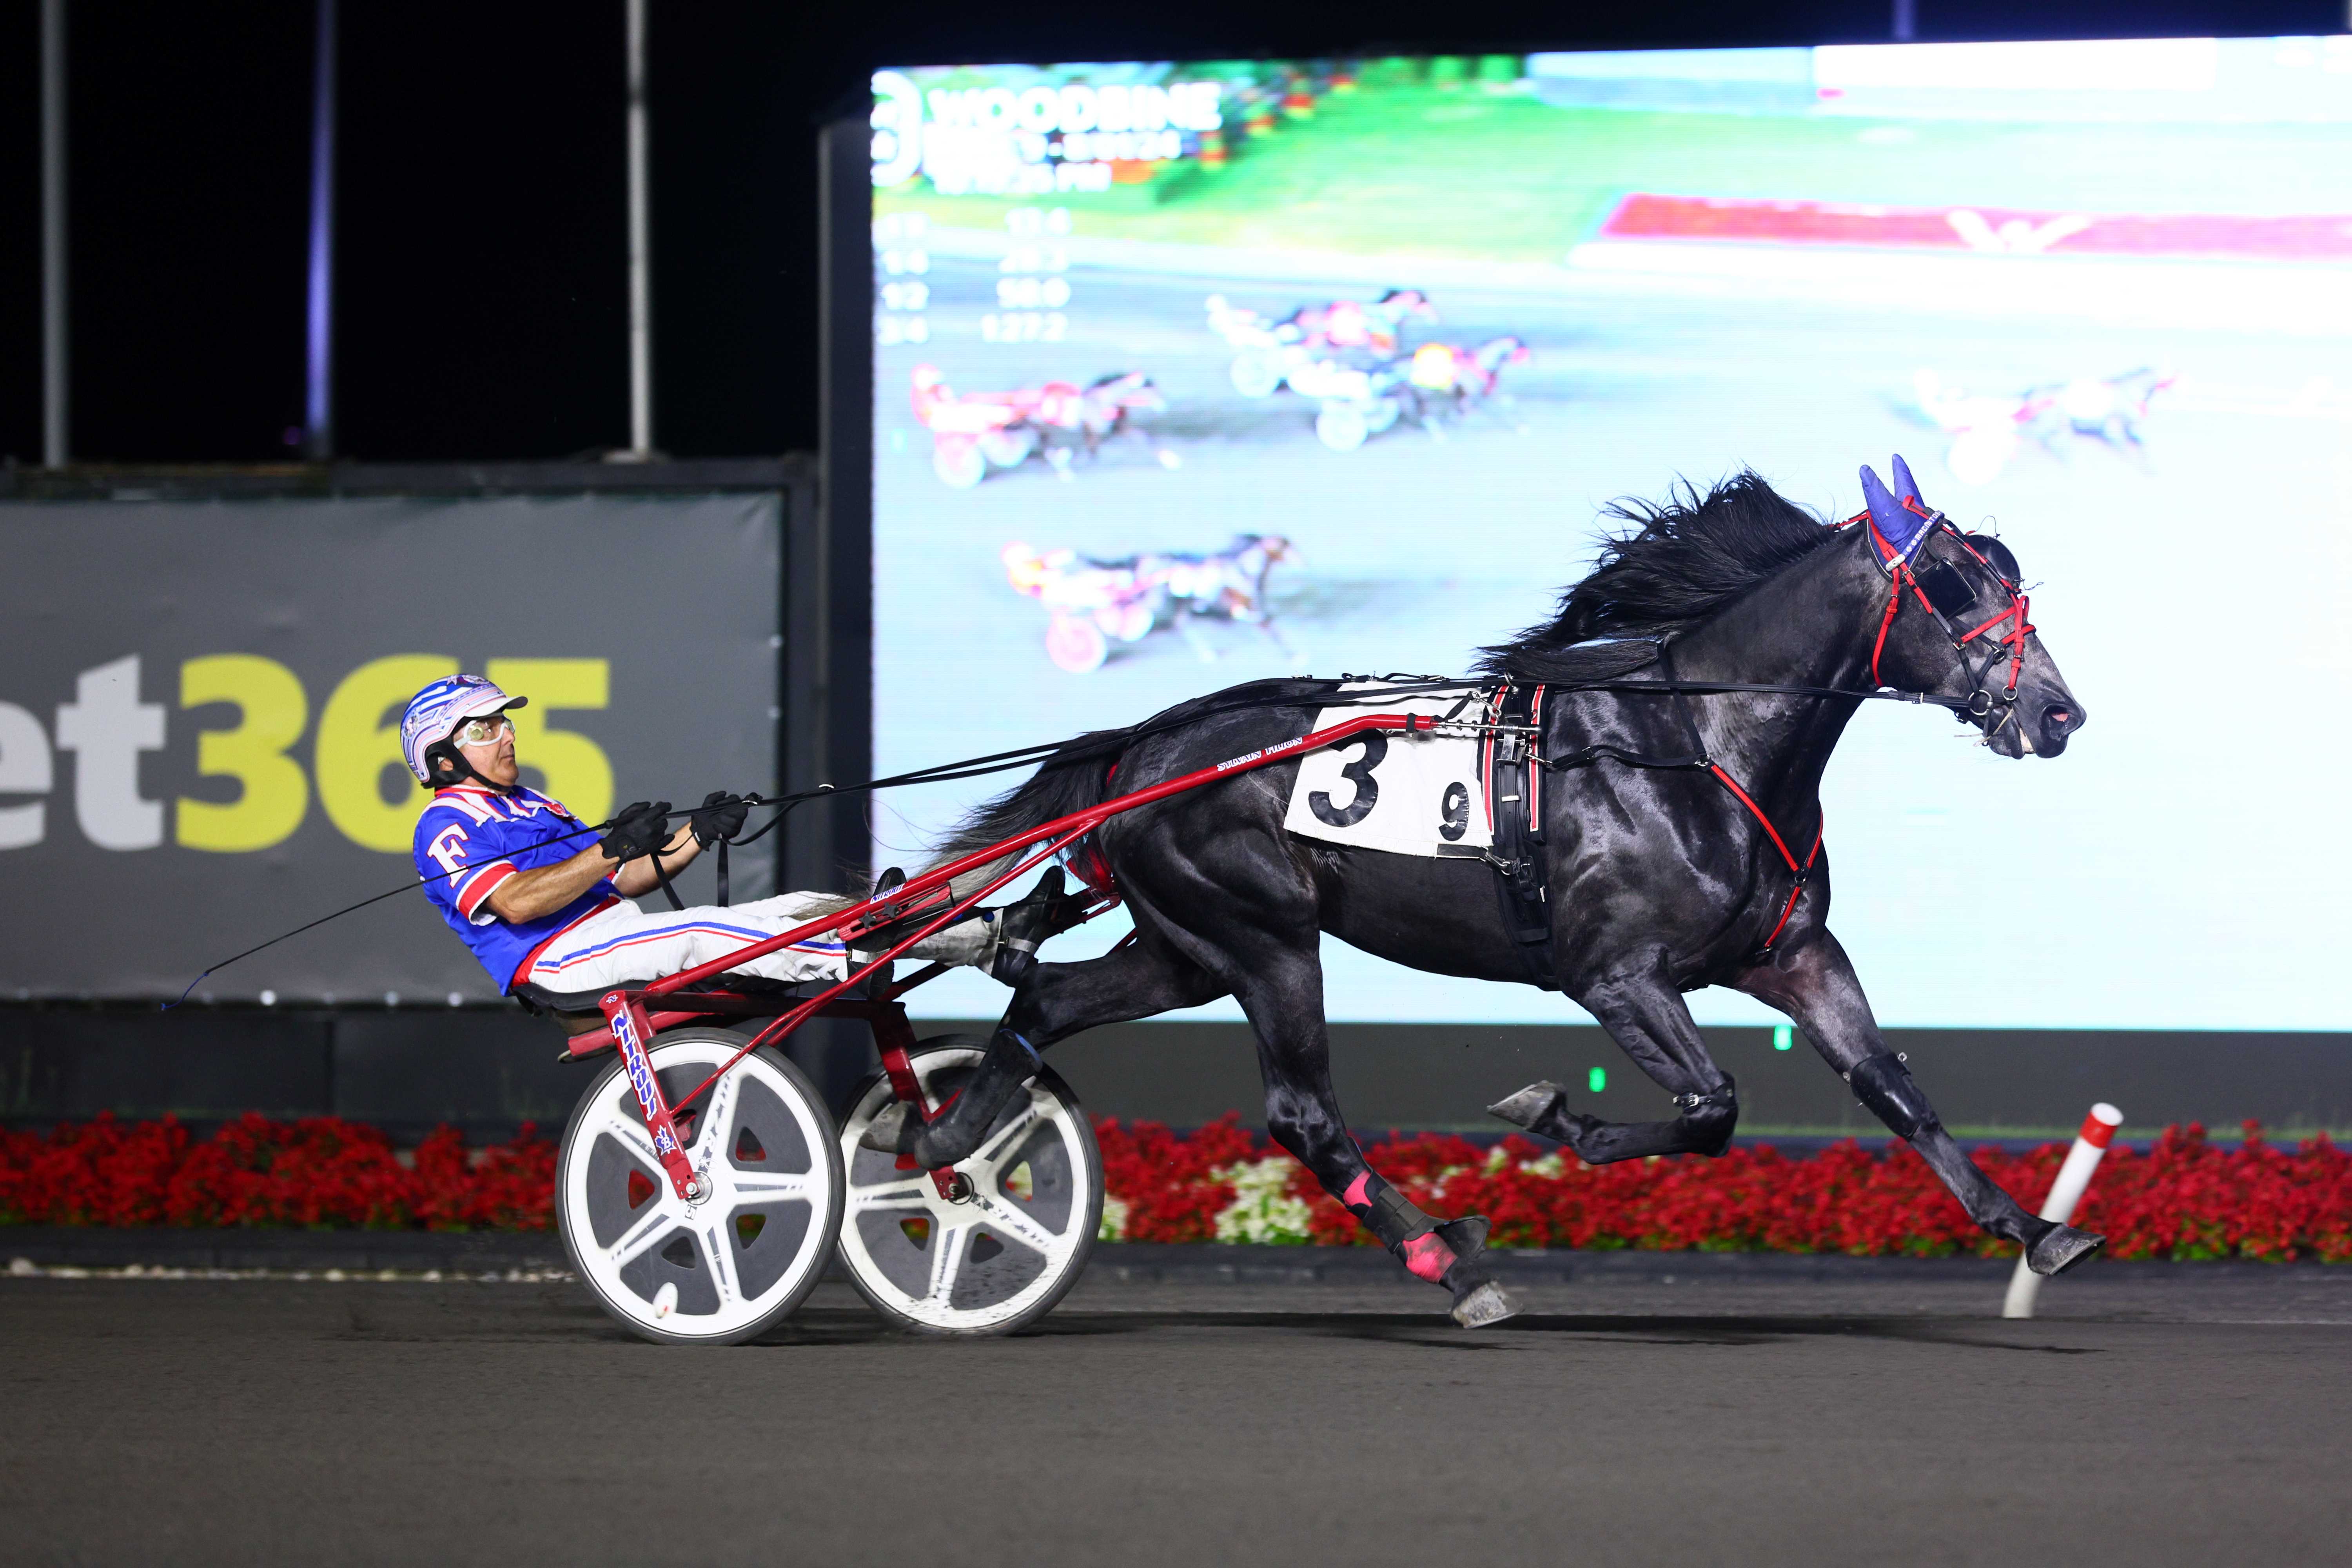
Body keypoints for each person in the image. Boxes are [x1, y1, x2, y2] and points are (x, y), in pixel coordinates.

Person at [400, 673, 1063, 1006]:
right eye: (484, 730)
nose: (506, 735)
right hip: (553, 961)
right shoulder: (445, 826)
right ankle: (900, 949)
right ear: (444, 758)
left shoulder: (534, 802)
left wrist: (696, 834)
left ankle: (981, 938)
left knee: (794, 904)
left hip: (608, 931)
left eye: (503, 724)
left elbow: (622, 881)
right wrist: (609, 848)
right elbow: (516, 903)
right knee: (699, 935)